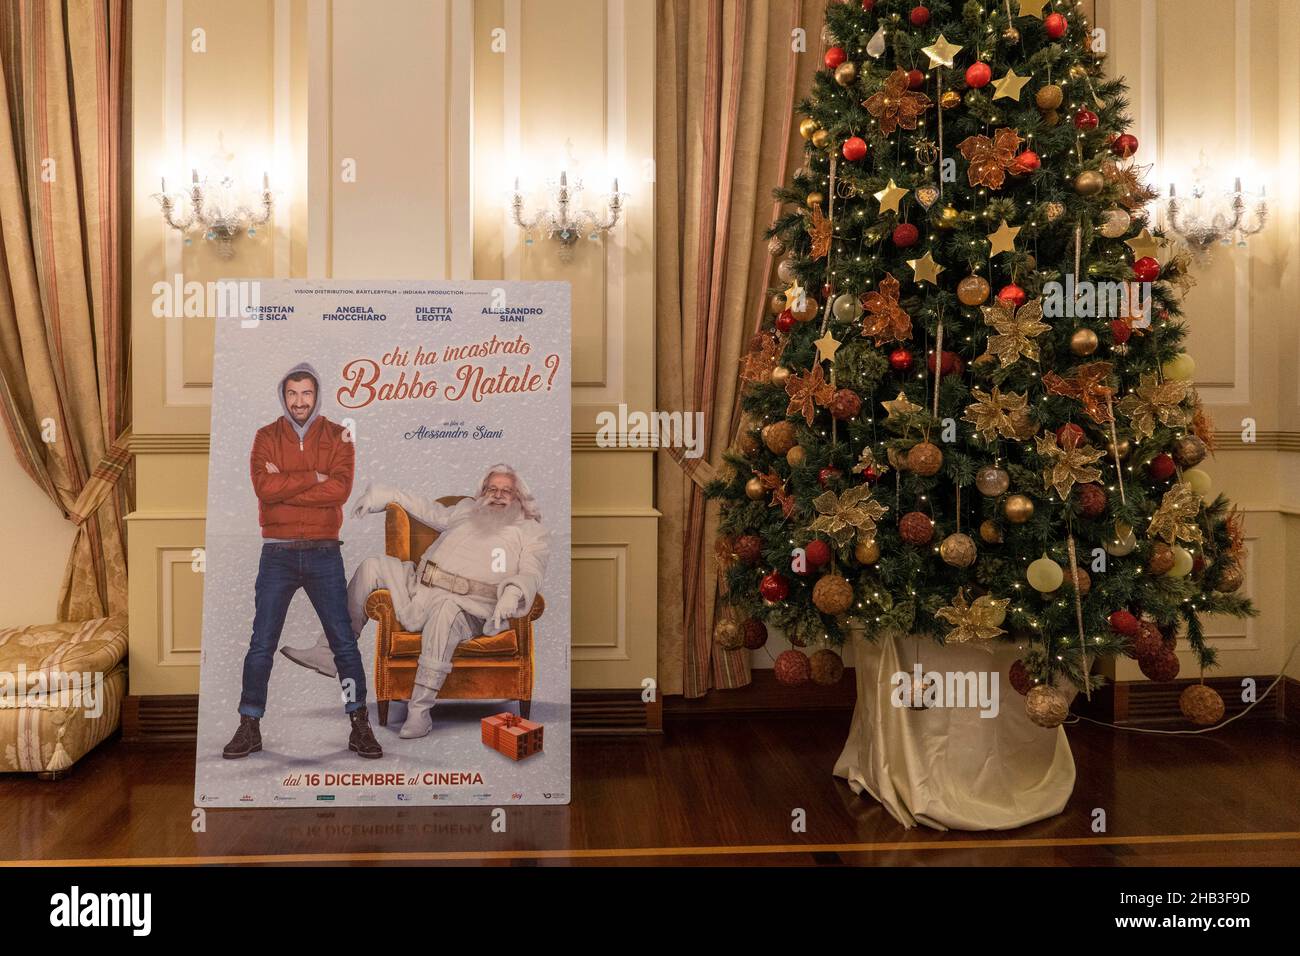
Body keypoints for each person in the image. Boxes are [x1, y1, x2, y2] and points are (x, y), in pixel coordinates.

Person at [221, 362, 383, 760]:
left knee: (343, 643)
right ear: (283, 396)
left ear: (317, 395)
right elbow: (264, 486)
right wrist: (314, 477)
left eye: (306, 393)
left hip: (324, 552)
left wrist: (289, 484)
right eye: (292, 394)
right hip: (276, 553)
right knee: (262, 643)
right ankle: (249, 724)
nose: (299, 401)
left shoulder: (338, 435)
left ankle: (359, 722)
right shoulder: (264, 436)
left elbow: (340, 491)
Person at [345, 464, 550, 738]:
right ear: (482, 492)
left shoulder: (530, 531)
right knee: (372, 566)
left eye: (507, 491)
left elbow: (531, 571)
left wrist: (512, 593)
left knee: (446, 611)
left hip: (470, 607)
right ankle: (331, 649)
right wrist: (380, 496)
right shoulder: (466, 511)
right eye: (492, 489)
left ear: (519, 497)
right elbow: (425, 509)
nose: (498, 495)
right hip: (421, 590)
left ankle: (419, 712)